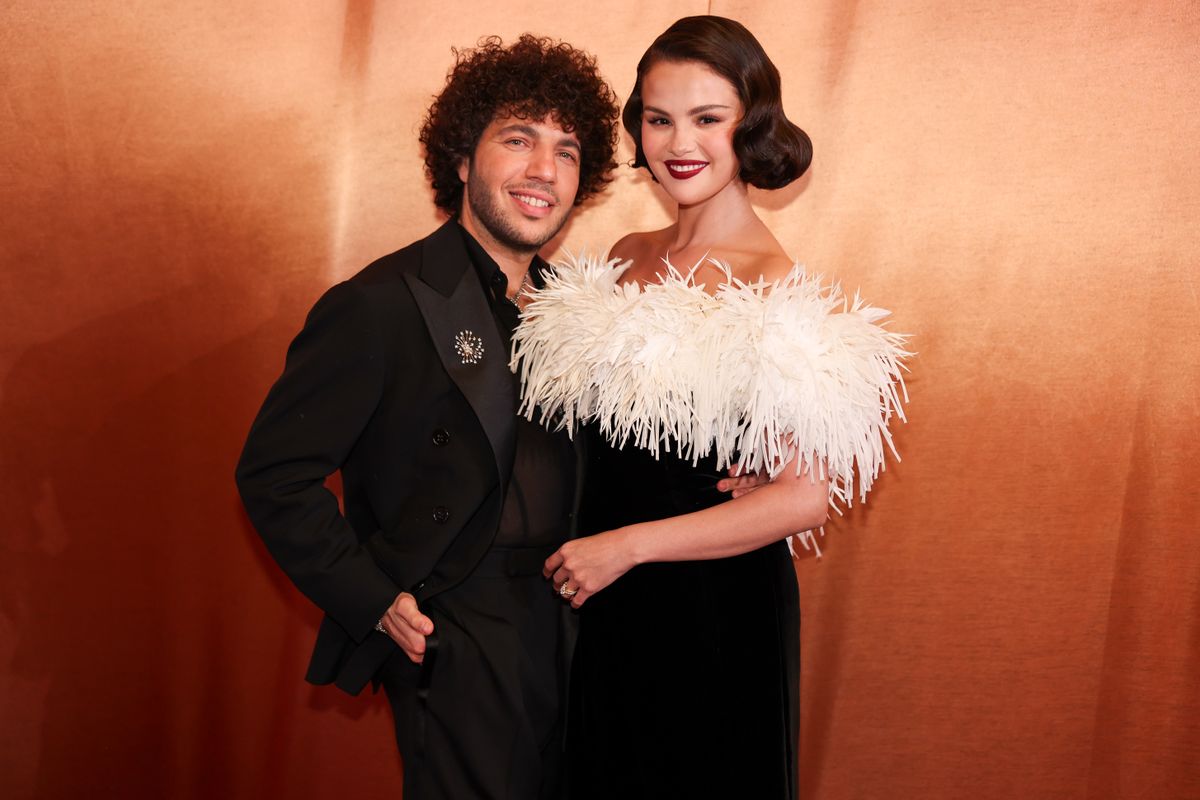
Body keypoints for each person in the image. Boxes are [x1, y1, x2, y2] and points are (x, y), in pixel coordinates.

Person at [511, 16, 909, 800]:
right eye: (659, 118)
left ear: (750, 126)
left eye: (707, 118)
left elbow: (805, 496)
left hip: (712, 615)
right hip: (605, 602)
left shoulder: (772, 284)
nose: (678, 141)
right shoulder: (627, 252)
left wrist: (624, 546)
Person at [235, 34, 622, 799]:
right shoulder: (379, 305)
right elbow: (274, 474)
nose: (545, 170)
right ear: (462, 158)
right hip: (461, 628)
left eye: (567, 150)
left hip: (580, 619)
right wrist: (372, 597)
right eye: (519, 138)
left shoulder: (582, 310)